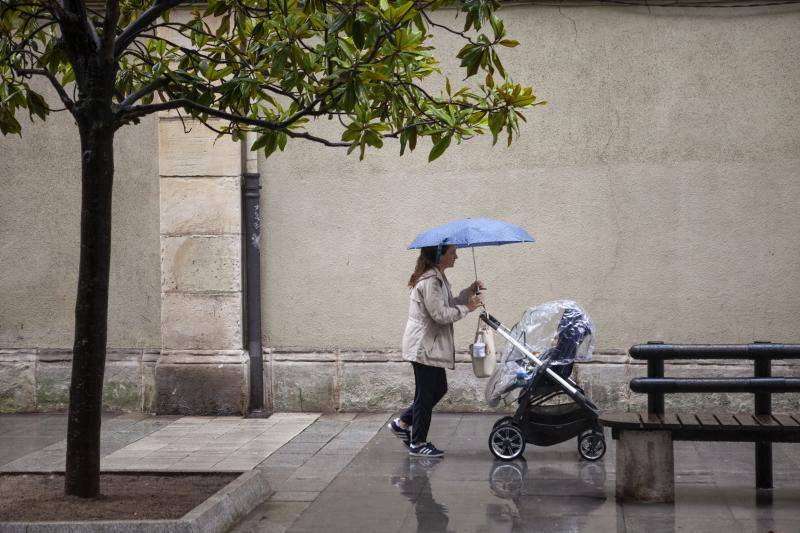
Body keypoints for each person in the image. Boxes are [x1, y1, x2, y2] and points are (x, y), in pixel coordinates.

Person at [388, 244, 484, 458]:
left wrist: (469, 292)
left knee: (438, 388)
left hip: (428, 346)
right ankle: (418, 443)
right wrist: (468, 308)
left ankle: (401, 423)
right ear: (439, 255)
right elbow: (440, 315)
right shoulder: (431, 281)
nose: (456, 256)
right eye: (452, 253)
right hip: (423, 347)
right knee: (426, 394)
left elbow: (448, 304)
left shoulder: (438, 278)